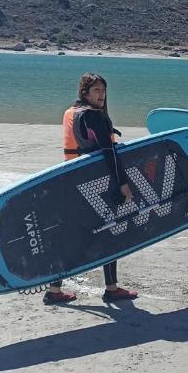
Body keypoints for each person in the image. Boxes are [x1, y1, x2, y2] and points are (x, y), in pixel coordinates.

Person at [44, 72, 139, 304]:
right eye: (96, 90)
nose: (102, 95)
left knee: (74, 236)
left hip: (75, 182)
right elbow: (108, 153)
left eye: (104, 90)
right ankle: (111, 288)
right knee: (109, 233)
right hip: (97, 184)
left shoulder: (75, 113)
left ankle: (54, 289)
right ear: (84, 93)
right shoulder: (94, 117)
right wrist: (123, 184)